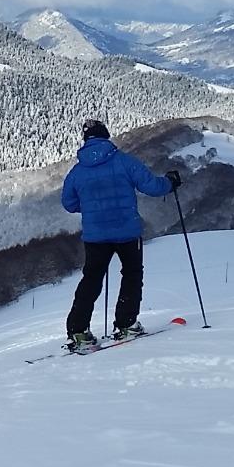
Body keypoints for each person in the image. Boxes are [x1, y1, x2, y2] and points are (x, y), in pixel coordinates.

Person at [60, 119, 182, 350]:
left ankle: (78, 330)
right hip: (127, 232)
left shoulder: (77, 171)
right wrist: (171, 182)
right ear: (107, 137)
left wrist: (90, 206)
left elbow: (68, 203)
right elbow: (152, 186)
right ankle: (126, 325)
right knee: (132, 274)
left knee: (92, 279)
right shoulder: (124, 162)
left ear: (86, 141)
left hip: (95, 236)